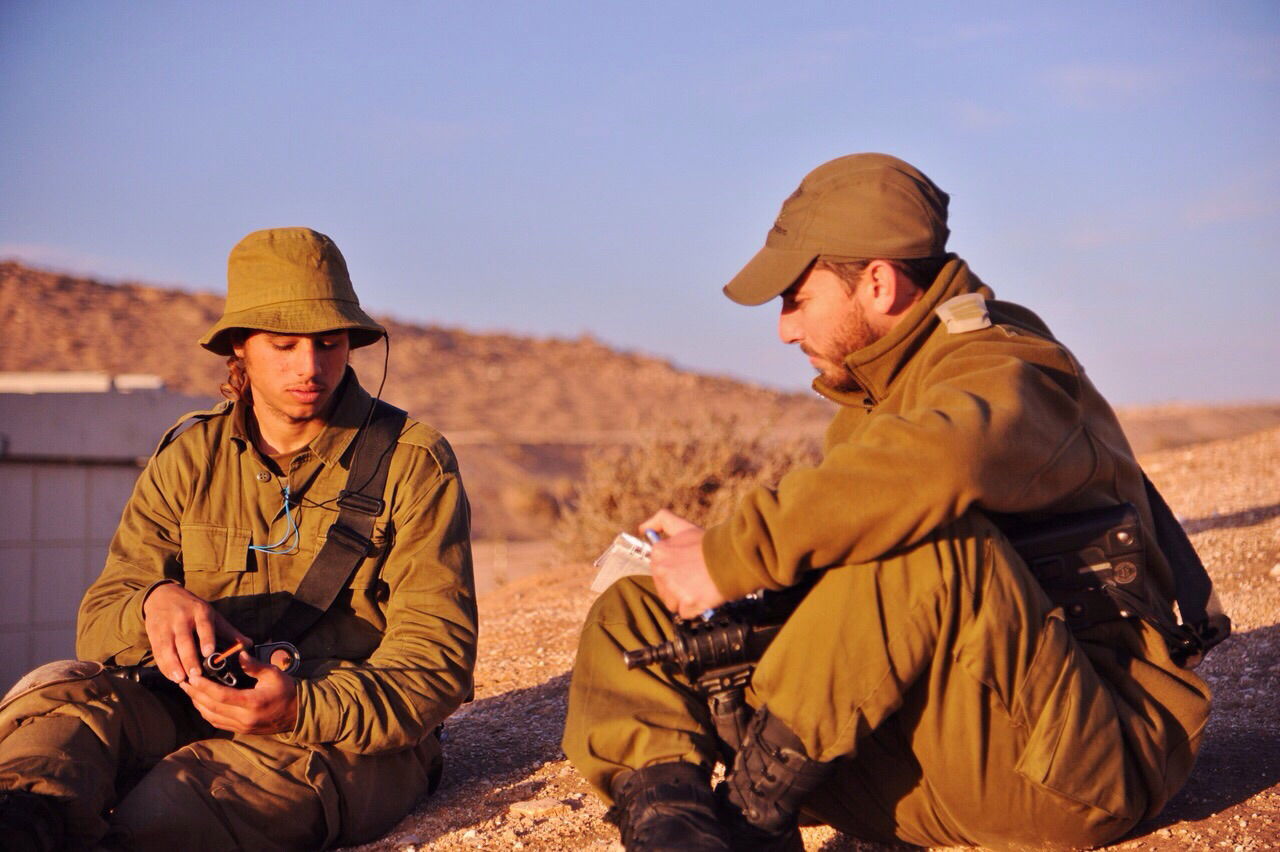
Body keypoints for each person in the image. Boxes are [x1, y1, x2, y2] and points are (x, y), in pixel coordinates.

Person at [562, 154, 1219, 850]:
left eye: (796, 299)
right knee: (637, 606)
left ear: (877, 282)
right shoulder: (880, 393)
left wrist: (731, 555)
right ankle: (679, 828)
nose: (785, 329)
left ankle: (750, 817)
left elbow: (940, 464)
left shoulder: (1006, 364)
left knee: (926, 536)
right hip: (936, 755)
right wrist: (717, 576)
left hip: (1070, 766)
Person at [0, 227, 477, 851]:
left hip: (342, 735)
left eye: (329, 343)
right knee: (56, 712)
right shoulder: (189, 455)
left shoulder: (414, 463)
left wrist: (300, 707)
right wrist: (152, 602)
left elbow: (435, 666)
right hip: (192, 706)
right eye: (284, 345)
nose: (310, 366)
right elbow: (99, 620)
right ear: (240, 350)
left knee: (167, 812)